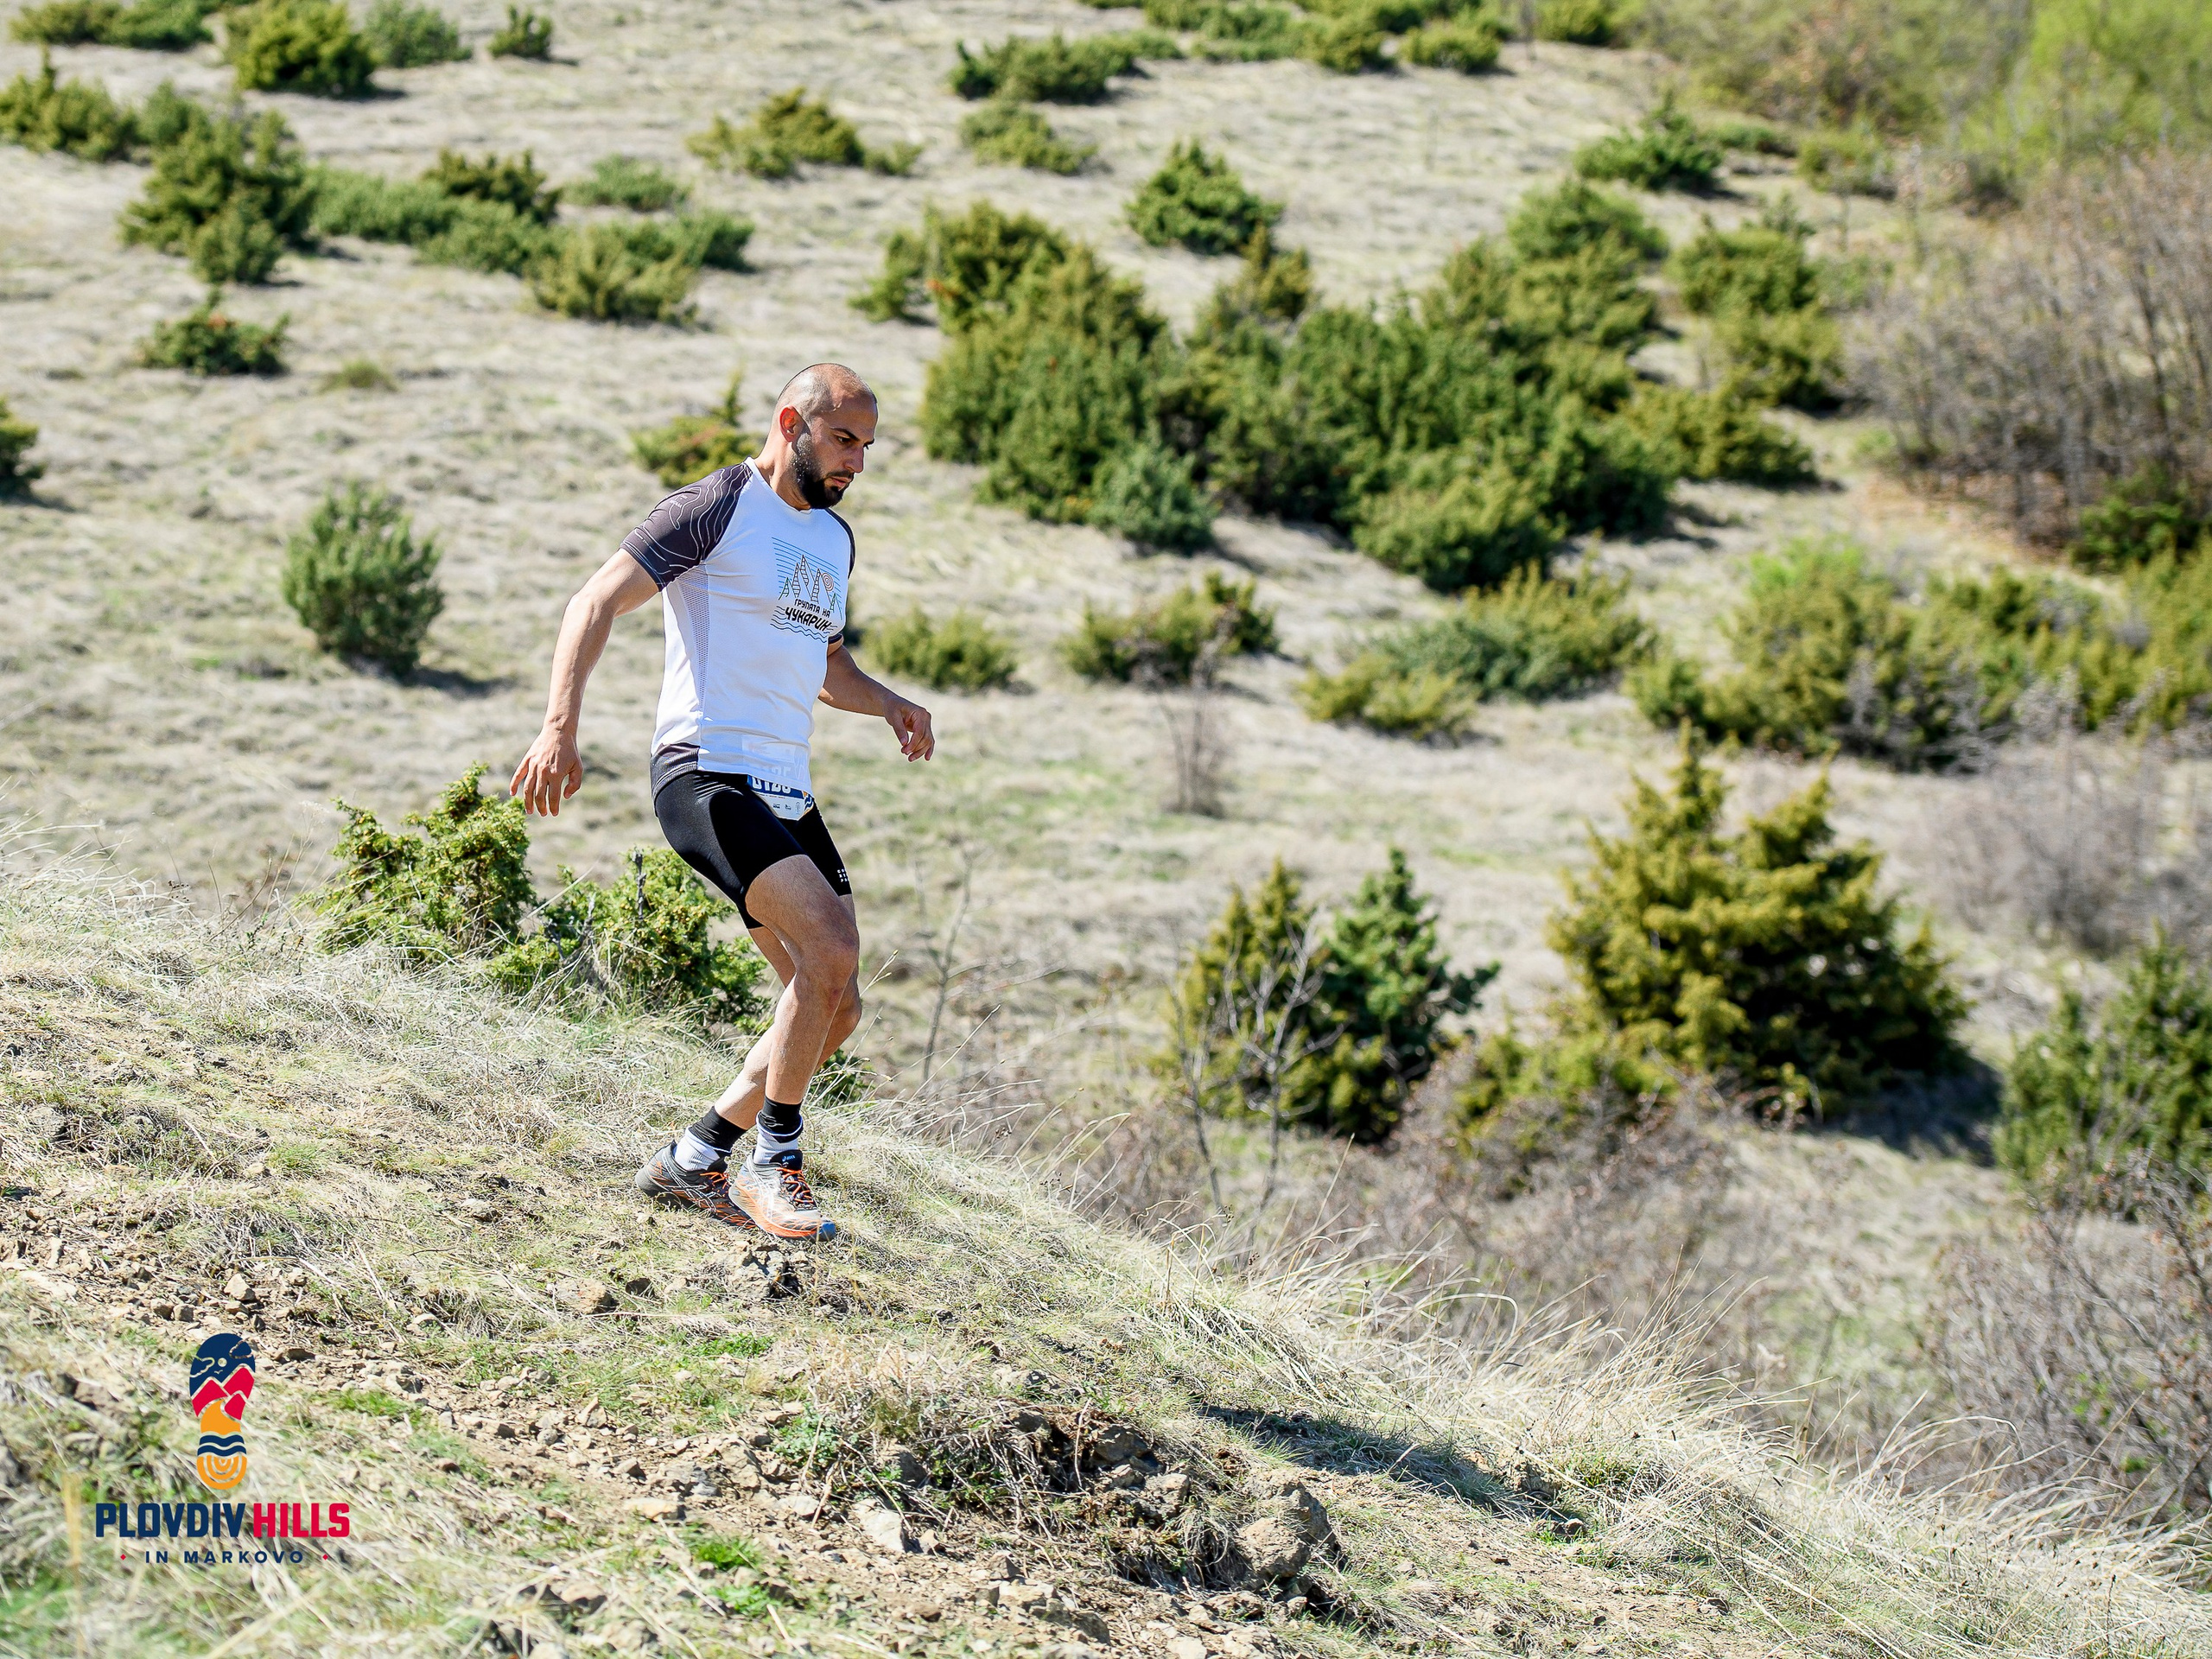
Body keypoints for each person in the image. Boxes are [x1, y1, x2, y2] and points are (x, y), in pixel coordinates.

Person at [510, 363, 932, 1240]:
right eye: (844, 438)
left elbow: (825, 668)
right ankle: (775, 1163)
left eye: (867, 446)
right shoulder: (717, 505)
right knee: (832, 943)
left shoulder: (833, 541)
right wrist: (559, 730)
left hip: (785, 787)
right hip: (705, 773)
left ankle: (694, 1159)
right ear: (793, 422)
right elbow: (595, 601)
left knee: (834, 999)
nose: (856, 462)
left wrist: (887, 700)